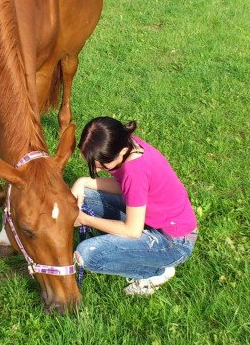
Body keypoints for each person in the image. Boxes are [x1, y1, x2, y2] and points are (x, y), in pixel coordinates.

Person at [72, 117, 198, 295]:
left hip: (174, 243)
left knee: (86, 255)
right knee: (84, 198)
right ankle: (144, 254)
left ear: (122, 150)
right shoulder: (129, 143)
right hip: (150, 219)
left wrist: (85, 219)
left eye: (102, 164)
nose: (98, 169)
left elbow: (132, 230)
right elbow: (127, 188)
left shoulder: (134, 170)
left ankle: (156, 272)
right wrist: (83, 181)